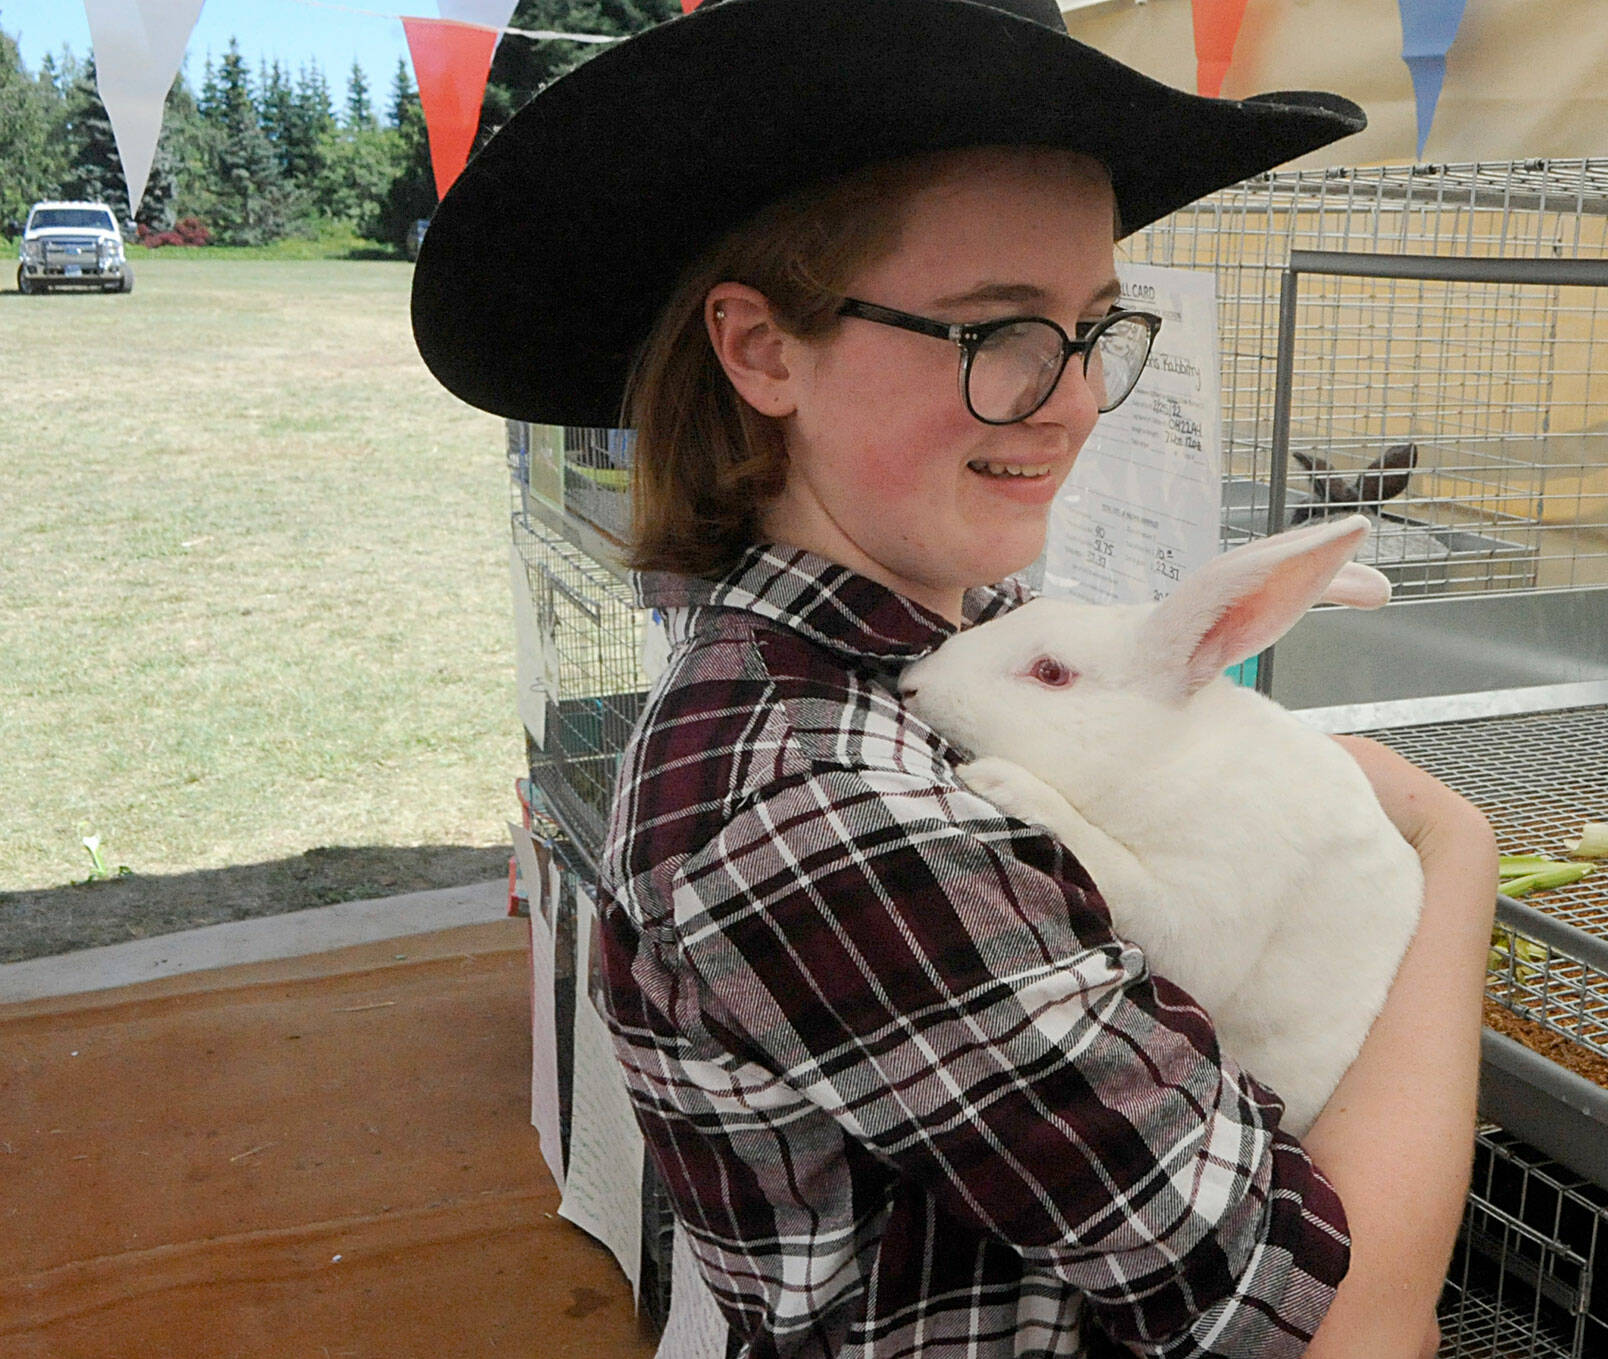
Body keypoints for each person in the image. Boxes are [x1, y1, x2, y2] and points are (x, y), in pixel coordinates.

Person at [412, 1, 1497, 1355]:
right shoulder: (817, 804)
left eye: (1094, 326)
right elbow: (1345, 1329)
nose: (1074, 400)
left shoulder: (942, 643)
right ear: (761, 351)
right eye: (997, 332)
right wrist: (1457, 858)